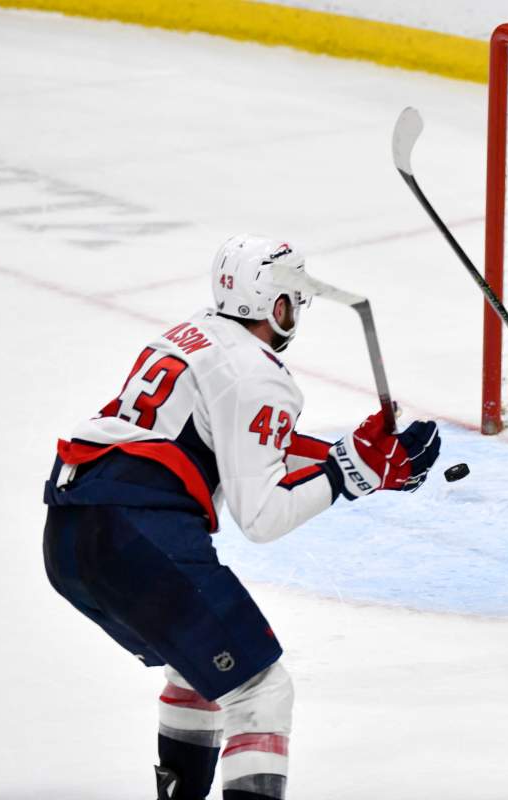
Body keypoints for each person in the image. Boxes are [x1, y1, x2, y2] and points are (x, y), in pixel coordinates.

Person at [42, 235, 441, 800]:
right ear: (276, 305)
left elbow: (237, 440)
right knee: (260, 692)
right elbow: (262, 516)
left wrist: (347, 452)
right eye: (293, 299)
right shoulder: (260, 374)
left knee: (200, 670)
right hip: (136, 536)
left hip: (69, 536)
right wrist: (351, 473)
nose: (296, 312)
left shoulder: (189, 336)